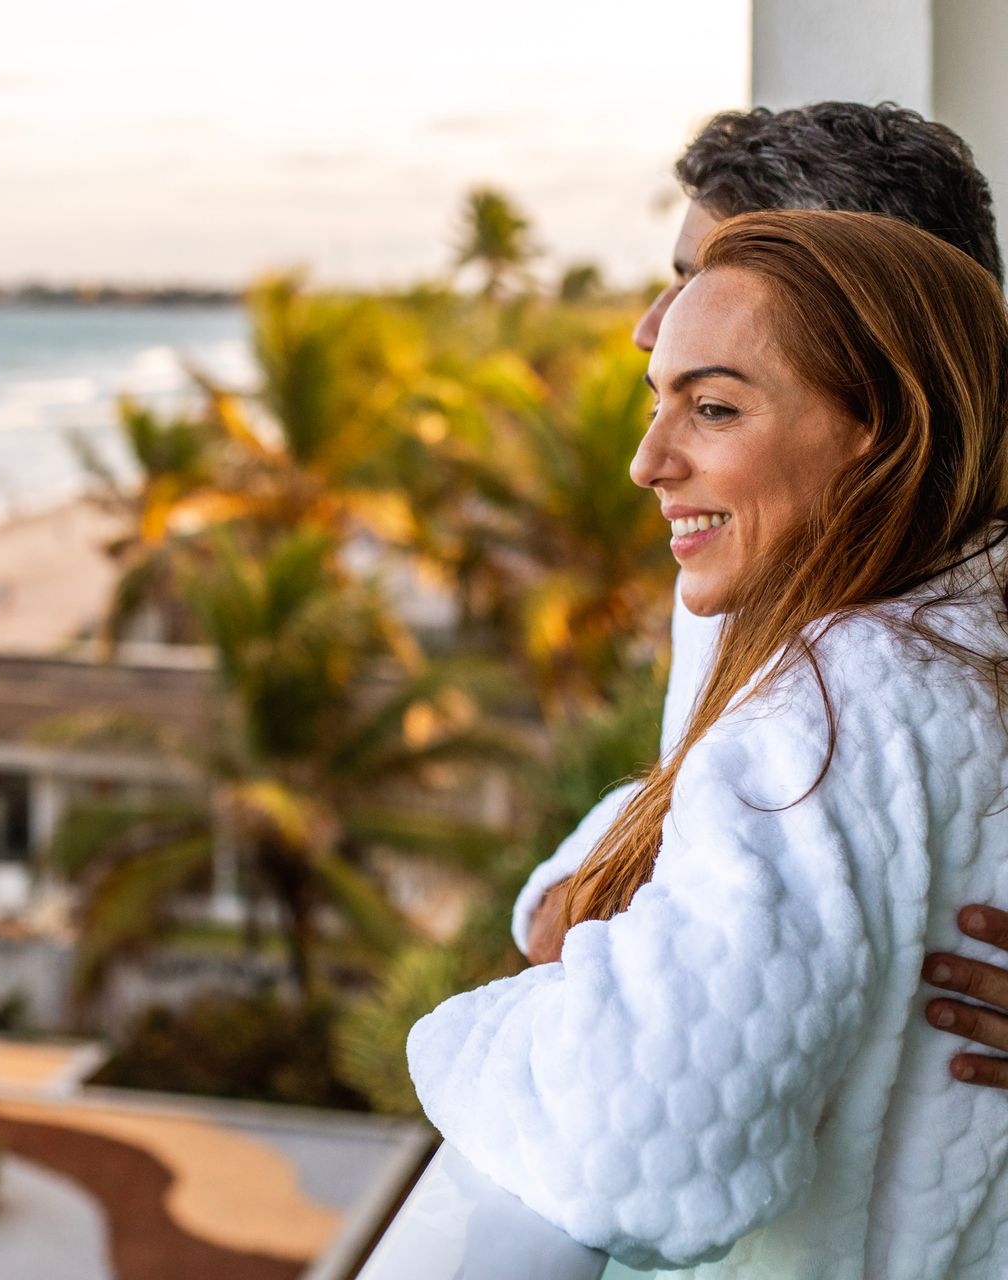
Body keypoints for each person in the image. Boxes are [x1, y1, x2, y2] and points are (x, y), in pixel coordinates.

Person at [411, 209, 1008, 1274]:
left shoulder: (826, 708)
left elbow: (633, 1148)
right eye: (657, 407)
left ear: (884, 422)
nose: (648, 462)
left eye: (715, 407)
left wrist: (459, 1033)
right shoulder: (969, 642)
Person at [516, 102, 1008, 1091]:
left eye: (708, 281)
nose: (650, 327)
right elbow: (660, 818)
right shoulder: (753, 543)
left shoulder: (889, 656)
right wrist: (574, 902)